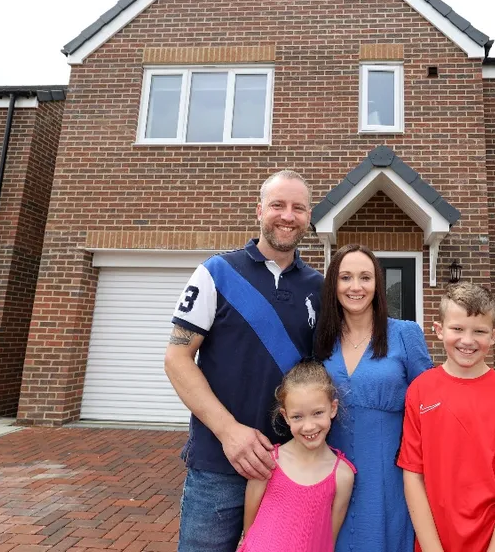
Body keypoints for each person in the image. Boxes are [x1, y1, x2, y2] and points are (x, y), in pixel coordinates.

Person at [164, 170, 323, 552]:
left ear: (309, 217)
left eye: (298, 208)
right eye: (278, 205)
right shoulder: (215, 272)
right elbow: (177, 358)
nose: (288, 215)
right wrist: (229, 432)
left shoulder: (319, 287)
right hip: (217, 465)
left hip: (288, 466)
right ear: (259, 211)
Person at [397, 282, 495, 552]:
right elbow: (413, 477)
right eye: (457, 329)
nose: (468, 340)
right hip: (435, 542)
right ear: (439, 330)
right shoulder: (420, 391)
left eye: (479, 331)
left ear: (493, 336)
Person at [313, 243, 433, 552]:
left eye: (365, 277)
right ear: (333, 285)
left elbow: (430, 404)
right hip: (329, 470)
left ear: (377, 284)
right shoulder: (321, 340)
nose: (356, 286)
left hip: (388, 472)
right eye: (346, 277)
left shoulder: (406, 334)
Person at [238, 361, 356, 552]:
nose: (309, 426)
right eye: (297, 417)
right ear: (285, 416)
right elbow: (249, 525)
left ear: (333, 408)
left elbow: (328, 539)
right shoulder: (269, 461)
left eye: (317, 413)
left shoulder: (342, 475)